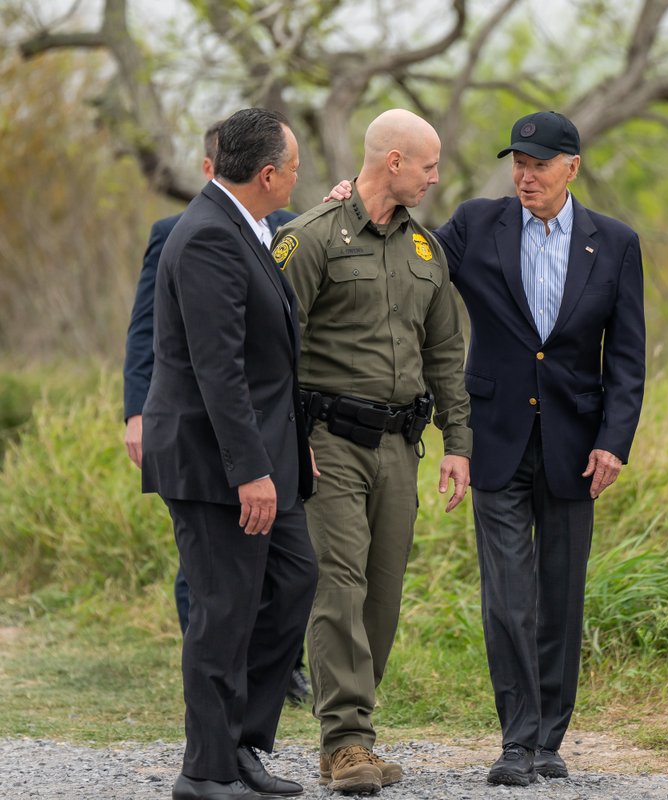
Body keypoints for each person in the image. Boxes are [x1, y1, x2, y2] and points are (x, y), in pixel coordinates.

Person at [434, 111, 646, 785]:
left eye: (539, 164)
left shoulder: (613, 243)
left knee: (560, 596)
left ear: (571, 168)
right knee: (508, 599)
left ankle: (551, 736)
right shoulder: (475, 224)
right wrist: (359, 199)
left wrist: (615, 442)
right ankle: (516, 740)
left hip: (575, 447)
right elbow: (407, 258)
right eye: (518, 163)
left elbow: (629, 358)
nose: (525, 175)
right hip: (493, 441)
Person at [274, 109, 471, 795]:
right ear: (393, 162)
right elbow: (274, 348)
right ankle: (349, 741)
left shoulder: (426, 252)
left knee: (381, 597)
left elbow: (446, 351)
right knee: (340, 587)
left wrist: (458, 444)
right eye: (428, 164)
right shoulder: (311, 238)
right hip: (327, 442)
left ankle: (345, 737)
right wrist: (290, 444)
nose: (435, 176)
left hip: (399, 446)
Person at [140, 107, 317, 800]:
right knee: (223, 610)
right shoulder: (210, 236)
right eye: (294, 166)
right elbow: (220, 371)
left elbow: (271, 365)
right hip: (216, 465)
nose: (298, 176)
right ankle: (204, 769)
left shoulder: (253, 229)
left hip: (266, 454)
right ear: (268, 174)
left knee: (294, 582)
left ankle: (242, 741)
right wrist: (251, 471)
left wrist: (293, 452)